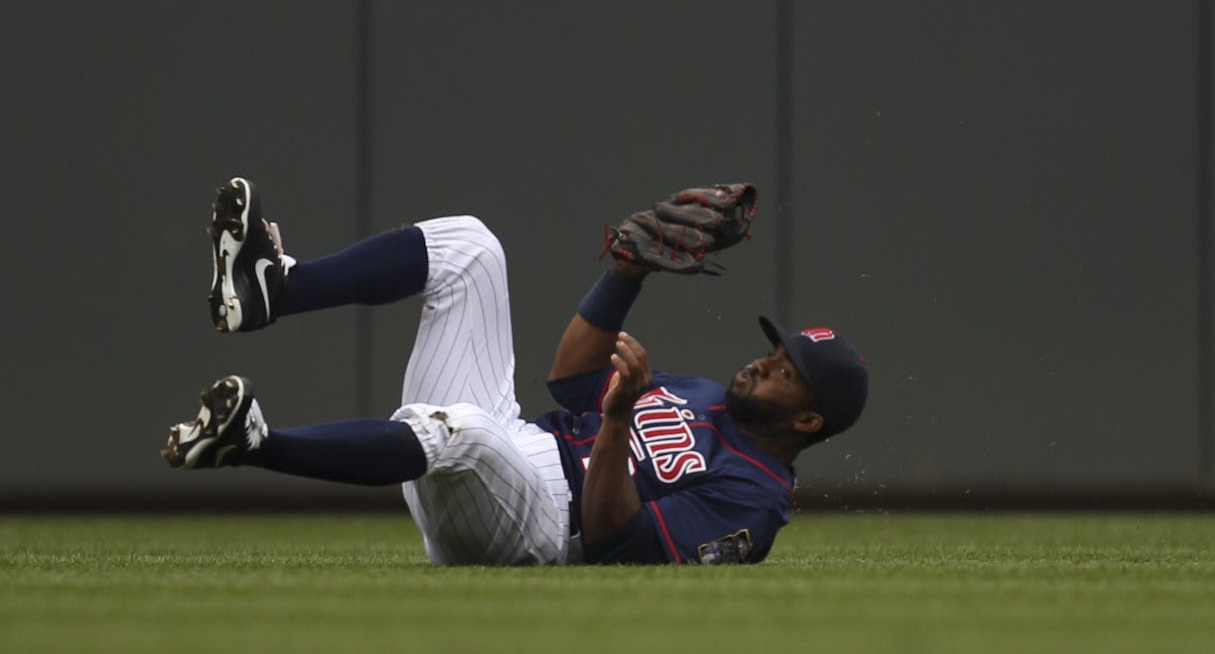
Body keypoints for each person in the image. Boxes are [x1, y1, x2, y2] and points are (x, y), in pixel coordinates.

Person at [164, 177, 869, 565]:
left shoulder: (755, 500)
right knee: (473, 247)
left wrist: (621, 417)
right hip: (514, 444)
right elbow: (568, 381)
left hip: (536, 526)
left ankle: (254, 443)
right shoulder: (703, 395)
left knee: (459, 431)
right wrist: (626, 275)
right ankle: (274, 289)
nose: (763, 363)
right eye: (775, 350)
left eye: (784, 370)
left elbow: (615, 543)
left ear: (809, 419)